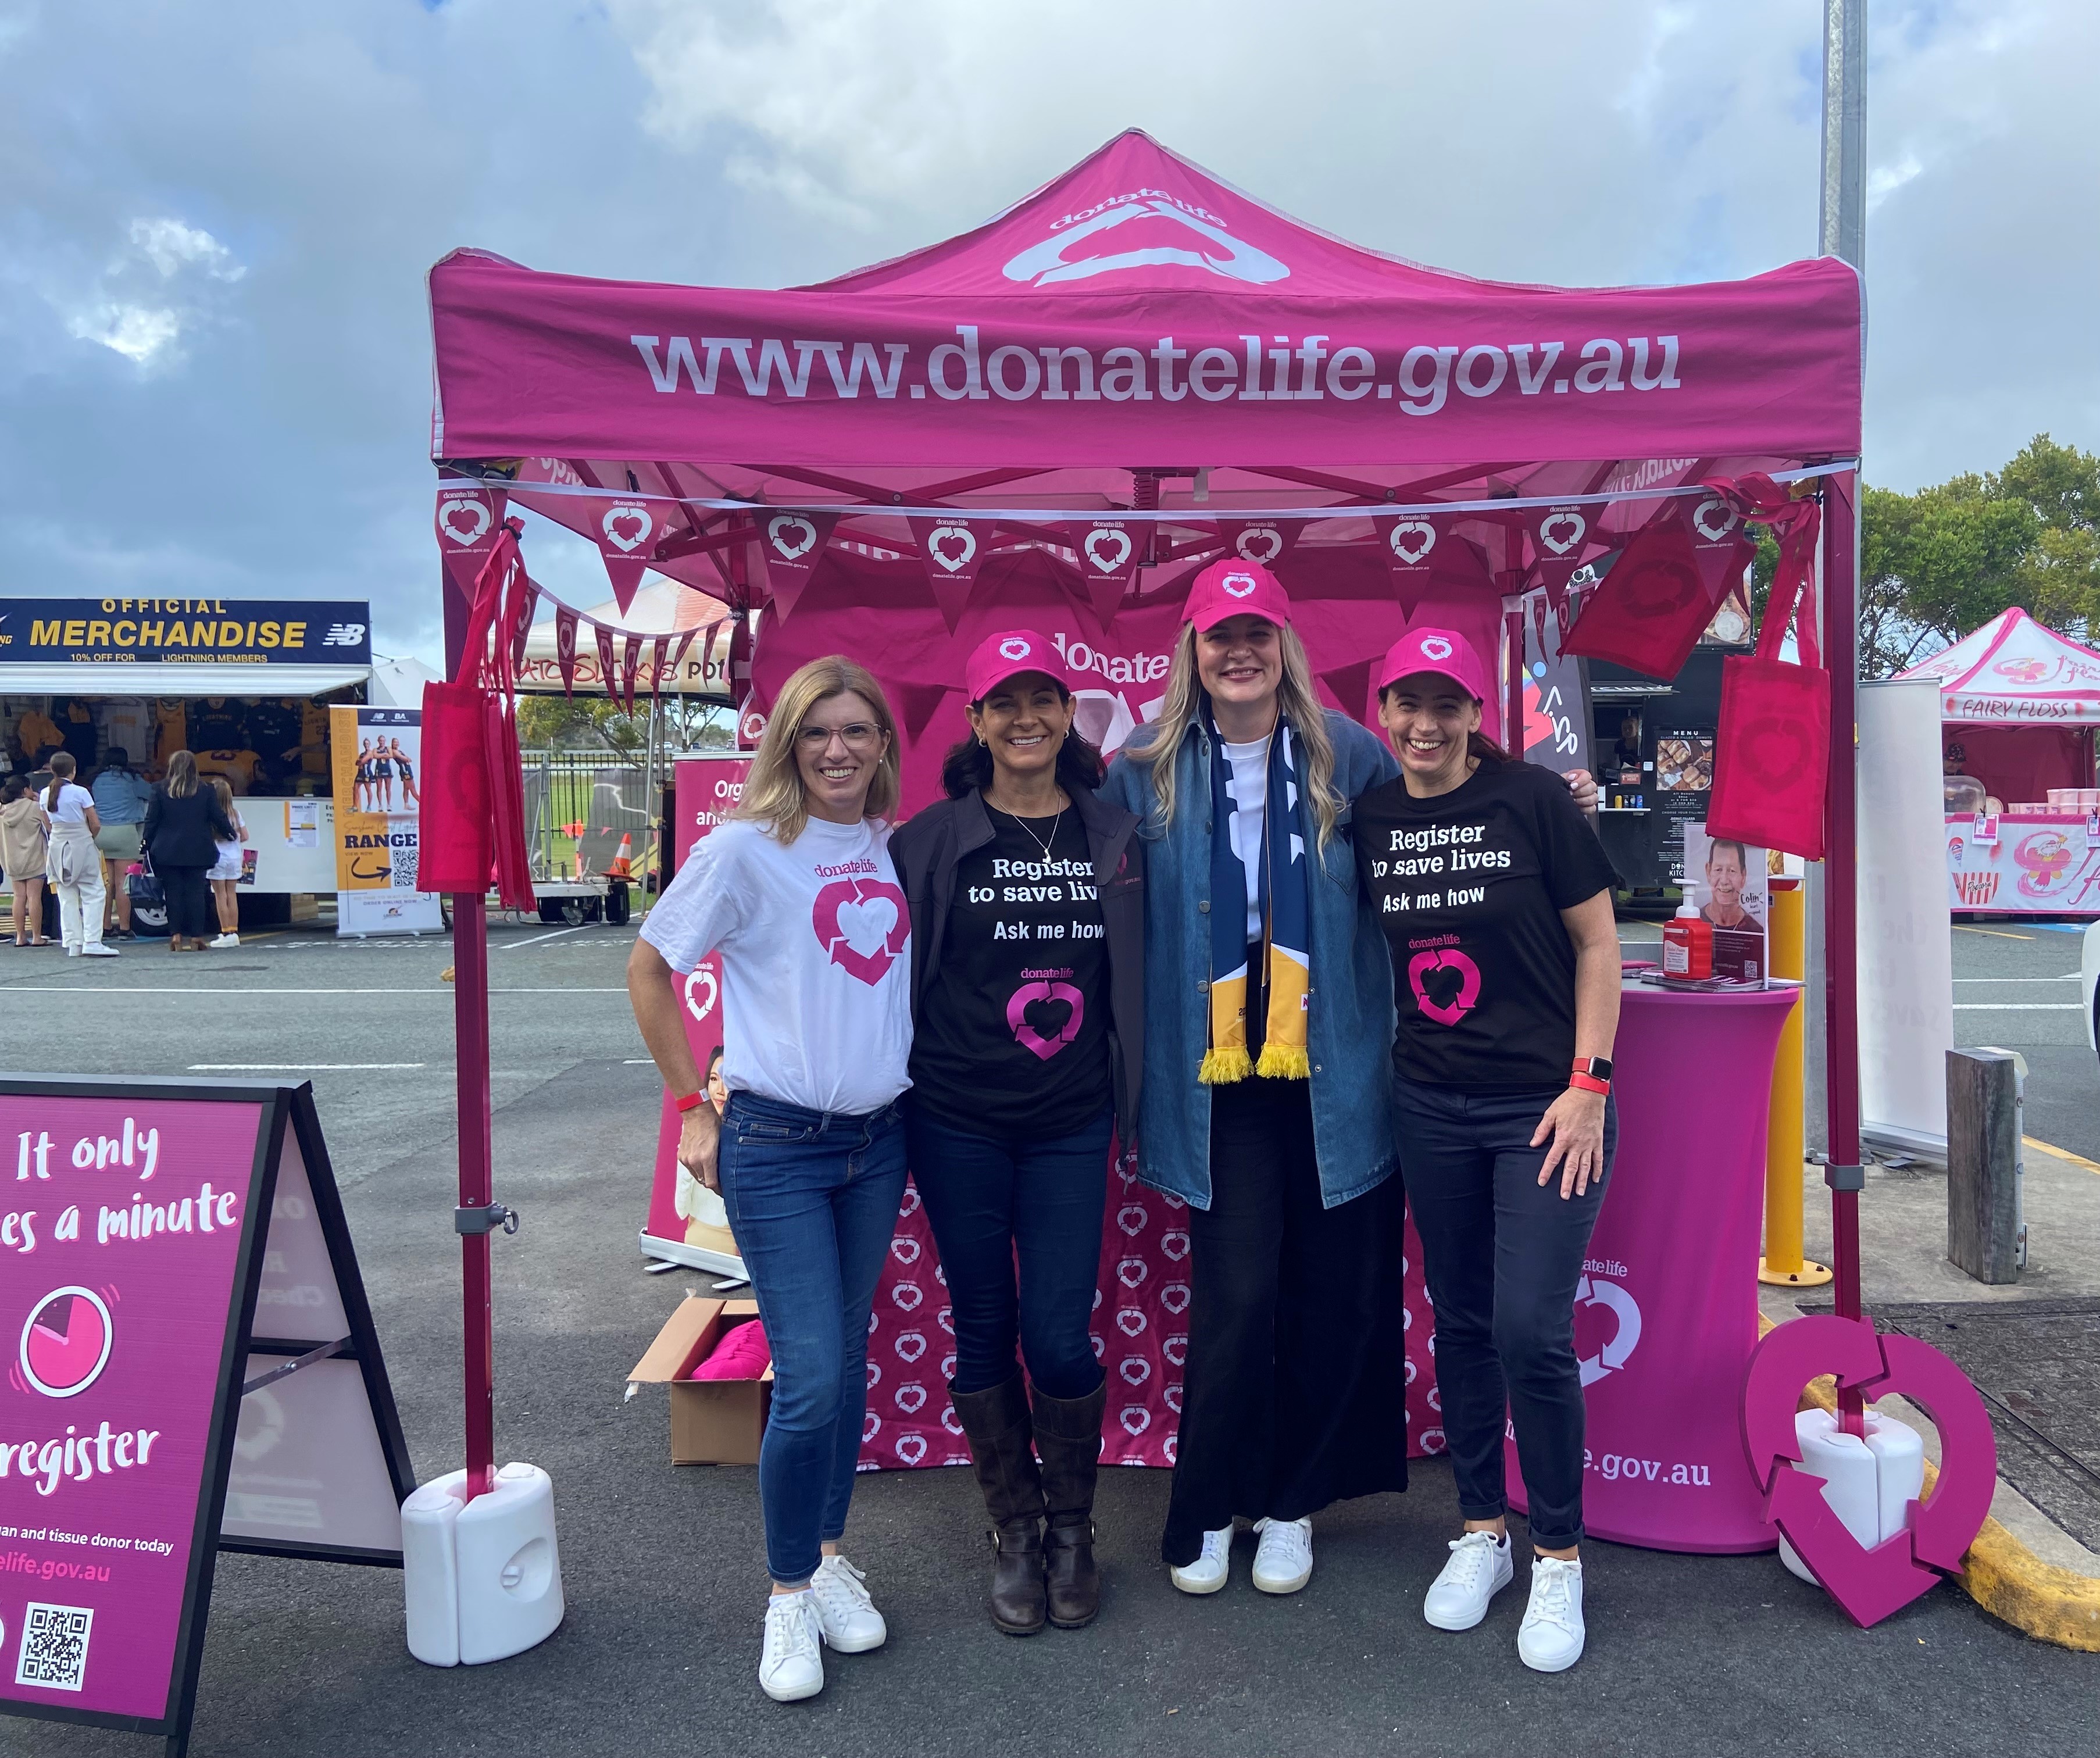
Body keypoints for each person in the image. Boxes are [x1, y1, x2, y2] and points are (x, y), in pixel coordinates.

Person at [1098, 558, 1409, 1599]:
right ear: (1191, 648)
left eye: (1257, 633)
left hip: (1331, 1073)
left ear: (1285, 645)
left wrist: (1553, 799)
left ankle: (1289, 1506)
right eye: (1219, 634)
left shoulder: (1349, 753)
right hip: (1213, 1077)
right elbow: (1076, 871)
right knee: (1235, 1296)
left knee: (1329, 1296)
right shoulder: (1143, 767)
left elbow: (1442, 824)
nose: (1239, 652)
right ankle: (1207, 1503)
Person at [626, 656, 910, 1705]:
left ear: (883, 741)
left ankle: (828, 1553)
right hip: (777, 1145)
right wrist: (689, 1101)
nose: (838, 749)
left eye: (857, 730)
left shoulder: (893, 847)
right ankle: (787, 1590)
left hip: (879, 1141)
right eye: (816, 732)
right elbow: (649, 967)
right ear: (786, 744)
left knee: (849, 1350)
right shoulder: (744, 849)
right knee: (813, 1372)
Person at [1352, 627, 1622, 1675]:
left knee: (1529, 1327)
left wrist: (1589, 1085)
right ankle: (1481, 1532)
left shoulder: (1536, 803)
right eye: (1406, 705)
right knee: (1461, 1320)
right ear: (1383, 714)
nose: (1424, 724)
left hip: (1544, 1107)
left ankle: (1557, 1549)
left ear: (1477, 714)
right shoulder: (1370, 817)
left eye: (1445, 704)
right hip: (1428, 1101)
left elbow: (1600, 941)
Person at [890, 629, 1143, 1636]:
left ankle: (1074, 1526)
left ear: (1066, 714)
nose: (1027, 717)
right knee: (984, 1327)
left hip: (1071, 1122)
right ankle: (1014, 1526)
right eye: (1006, 701)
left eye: (1044, 698)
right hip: (953, 1118)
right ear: (978, 719)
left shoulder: (1118, 837)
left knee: (1058, 1334)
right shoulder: (929, 839)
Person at [144, 751, 238, 953]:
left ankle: (176, 935)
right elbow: (218, 817)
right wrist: (230, 833)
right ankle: (197, 937)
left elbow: (152, 820)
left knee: (173, 893)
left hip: (167, 850)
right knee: (196, 894)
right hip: (198, 848)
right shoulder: (206, 789)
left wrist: (146, 843)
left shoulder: (159, 789)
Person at [39, 754, 119, 959]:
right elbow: (95, 823)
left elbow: (47, 825)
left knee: (66, 896)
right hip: (81, 842)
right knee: (94, 891)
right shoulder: (80, 792)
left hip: (57, 844)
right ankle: (92, 940)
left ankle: (73, 943)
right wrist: (88, 838)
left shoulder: (44, 793)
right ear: (73, 770)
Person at [91, 748, 152, 940]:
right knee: (124, 884)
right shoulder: (132, 780)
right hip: (125, 833)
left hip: (101, 834)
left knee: (106, 885)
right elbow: (152, 794)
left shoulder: (97, 780)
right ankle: (125, 928)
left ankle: (106, 927)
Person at [1, 778, 52, 947]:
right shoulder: (34, 808)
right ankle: (37, 936)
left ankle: (20, 936)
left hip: (12, 860)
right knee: (34, 897)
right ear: (25, 790)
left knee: (19, 897)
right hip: (35, 858)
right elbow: (50, 827)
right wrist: (38, 801)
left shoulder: (3, 810)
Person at [207, 777, 248, 947]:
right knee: (232, 894)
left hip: (217, 857)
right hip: (234, 858)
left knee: (220, 895)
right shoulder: (235, 814)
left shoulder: (209, 816)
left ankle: (225, 932)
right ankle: (234, 931)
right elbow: (245, 836)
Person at [1698, 838, 1760, 929]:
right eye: (1718, 870)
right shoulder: (1693, 922)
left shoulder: (1755, 931)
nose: (1724, 881)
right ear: (1708, 872)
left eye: (1732, 871)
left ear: (1743, 876)